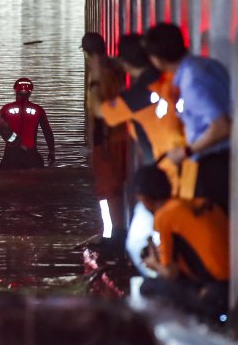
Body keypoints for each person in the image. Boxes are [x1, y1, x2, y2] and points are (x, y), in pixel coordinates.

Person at [95, 34, 188, 271]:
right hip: (183, 164)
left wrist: (96, 76)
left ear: (124, 63)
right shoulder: (166, 82)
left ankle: (160, 283)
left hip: (165, 172)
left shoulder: (138, 95)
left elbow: (101, 111)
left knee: (139, 241)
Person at [144, 23, 232, 212]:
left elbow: (221, 126)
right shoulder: (207, 65)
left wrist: (186, 152)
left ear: (157, 59)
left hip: (216, 162)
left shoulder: (191, 80)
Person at [133, 165, 228, 320]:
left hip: (216, 291)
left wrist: (153, 264)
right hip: (231, 280)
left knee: (147, 287)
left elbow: (170, 274)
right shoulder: (196, 202)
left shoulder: (164, 216)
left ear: (144, 198)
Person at [81, 32, 128, 247]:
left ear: (86, 53)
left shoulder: (99, 74)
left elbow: (100, 110)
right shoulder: (113, 69)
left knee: (106, 189)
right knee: (113, 188)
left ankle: (112, 234)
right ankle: (116, 231)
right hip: (116, 135)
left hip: (108, 138)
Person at [0, 77, 55, 170]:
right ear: (30, 92)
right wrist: (52, 152)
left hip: (11, 155)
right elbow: (47, 132)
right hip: (30, 154)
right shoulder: (38, 110)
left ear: (15, 91)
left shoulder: (6, 109)